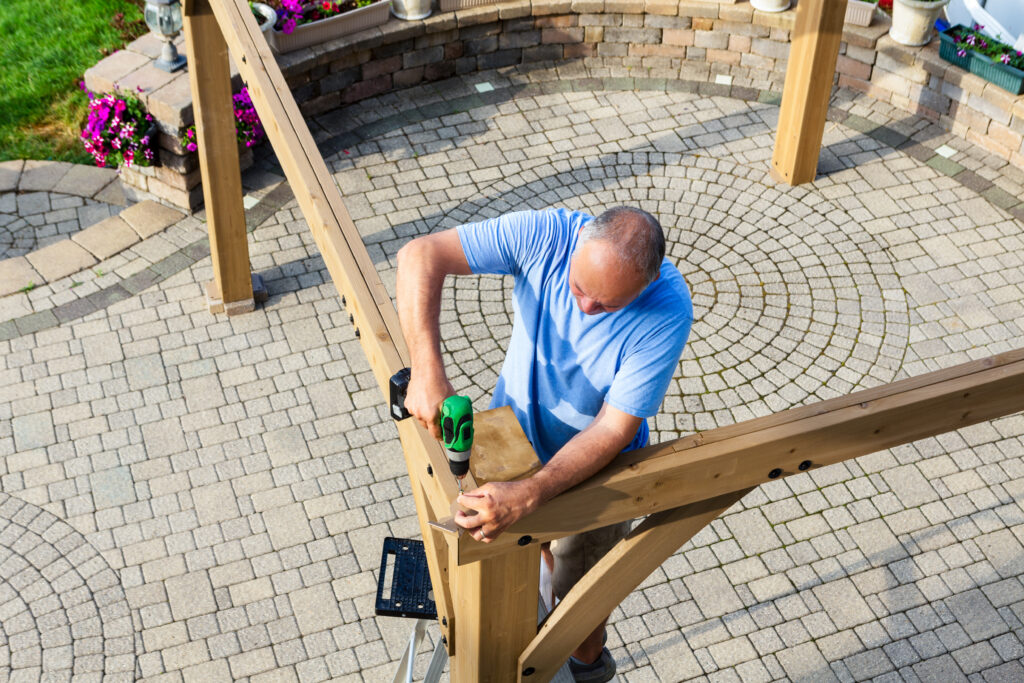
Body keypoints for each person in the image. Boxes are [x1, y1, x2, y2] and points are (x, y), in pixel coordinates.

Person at [396, 205, 693, 681]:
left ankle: (588, 667)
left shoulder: (668, 310)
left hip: (601, 471)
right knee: (532, 552)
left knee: (582, 601)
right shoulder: (548, 235)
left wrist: (531, 493)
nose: (586, 309)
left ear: (649, 282)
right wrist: (428, 370)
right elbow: (420, 254)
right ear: (578, 246)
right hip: (512, 440)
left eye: (609, 305)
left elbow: (611, 430)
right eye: (579, 288)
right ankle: (545, 574)